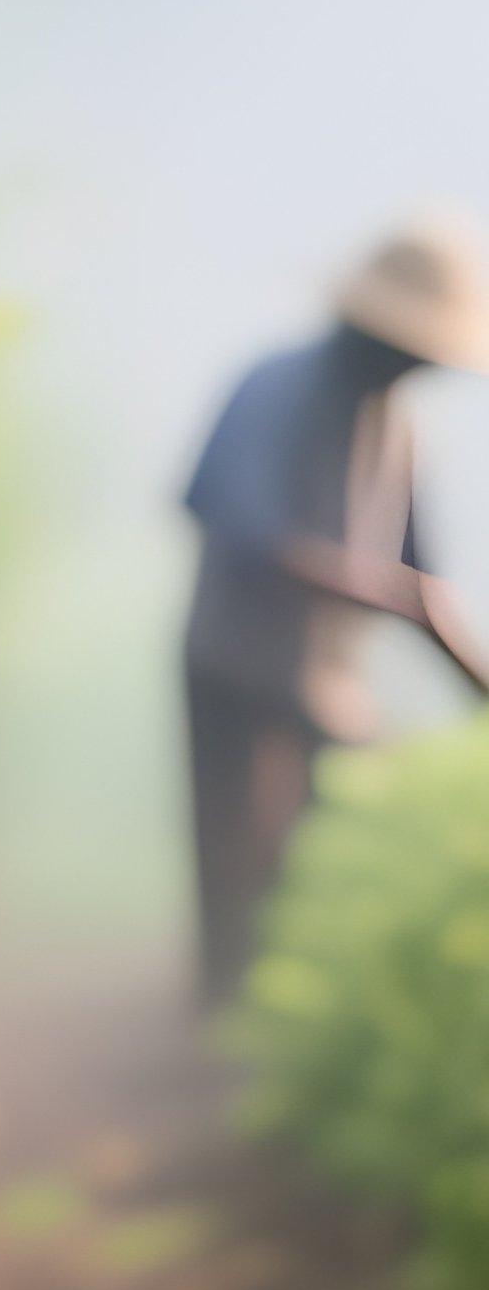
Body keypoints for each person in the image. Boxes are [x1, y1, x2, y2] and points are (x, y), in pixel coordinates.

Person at [183, 215, 489, 1002]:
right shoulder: (278, 383)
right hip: (237, 665)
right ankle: (226, 1043)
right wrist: (391, 593)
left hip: (325, 681)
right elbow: (241, 523)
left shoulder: (398, 426)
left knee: (331, 855)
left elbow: (426, 580)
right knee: (239, 856)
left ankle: (290, 1027)